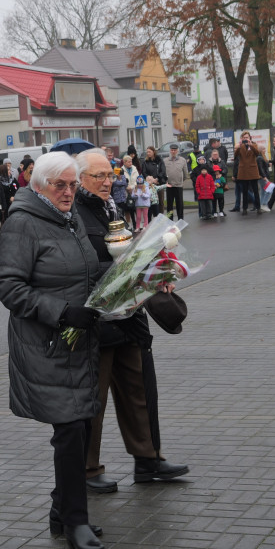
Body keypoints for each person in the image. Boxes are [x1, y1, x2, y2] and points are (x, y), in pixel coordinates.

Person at [0, 151, 106, 549]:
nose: (69, 192)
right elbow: (9, 287)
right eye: (60, 185)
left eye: (73, 184)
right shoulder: (22, 222)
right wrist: (60, 312)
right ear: (38, 185)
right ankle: (76, 521)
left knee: (80, 426)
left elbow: (83, 270)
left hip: (79, 340)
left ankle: (63, 512)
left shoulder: (70, 217)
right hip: (46, 343)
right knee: (70, 431)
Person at [74, 150, 189, 495]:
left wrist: (154, 271)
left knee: (138, 391)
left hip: (128, 316)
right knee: (94, 400)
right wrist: (119, 276)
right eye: (99, 176)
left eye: (110, 175)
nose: (108, 182)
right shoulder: (75, 215)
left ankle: (148, 459)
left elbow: (127, 251)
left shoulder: (111, 208)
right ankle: (87, 469)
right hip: (98, 319)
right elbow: (77, 266)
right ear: (80, 179)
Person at [233, 131, 262, 214]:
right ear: (242, 138)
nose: (246, 139)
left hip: (252, 171)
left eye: (247, 137)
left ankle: (258, 207)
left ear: (250, 138)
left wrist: (251, 145)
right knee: (244, 191)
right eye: (244, 138)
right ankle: (245, 209)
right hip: (243, 171)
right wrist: (238, 147)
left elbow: (257, 153)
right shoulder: (240, 146)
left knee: (255, 191)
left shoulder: (254, 145)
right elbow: (235, 156)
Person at [162, 144, 187, 220]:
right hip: (169, 186)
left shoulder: (182, 160)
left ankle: (180, 219)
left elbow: (185, 173)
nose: (173, 151)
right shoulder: (165, 160)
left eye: (175, 150)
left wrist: (180, 180)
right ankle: (170, 220)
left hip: (179, 185)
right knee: (169, 205)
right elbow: (163, 173)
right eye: (172, 150)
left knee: (179, 204)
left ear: (177, 151)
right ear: (170, 151)